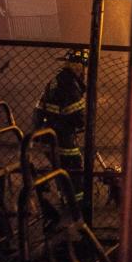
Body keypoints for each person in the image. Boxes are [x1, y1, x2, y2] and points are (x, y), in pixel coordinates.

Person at [33, 48, 88, 202]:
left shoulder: (59, 79)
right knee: (73, 164)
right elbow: (77, 115)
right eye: (84, 67)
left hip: (47, 131)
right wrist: (83, 123)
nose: (85, 71)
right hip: (60, 133)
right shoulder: (69, 83)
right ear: (79, 65)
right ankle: (77, 203)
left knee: (60, 166)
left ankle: (65, 196)